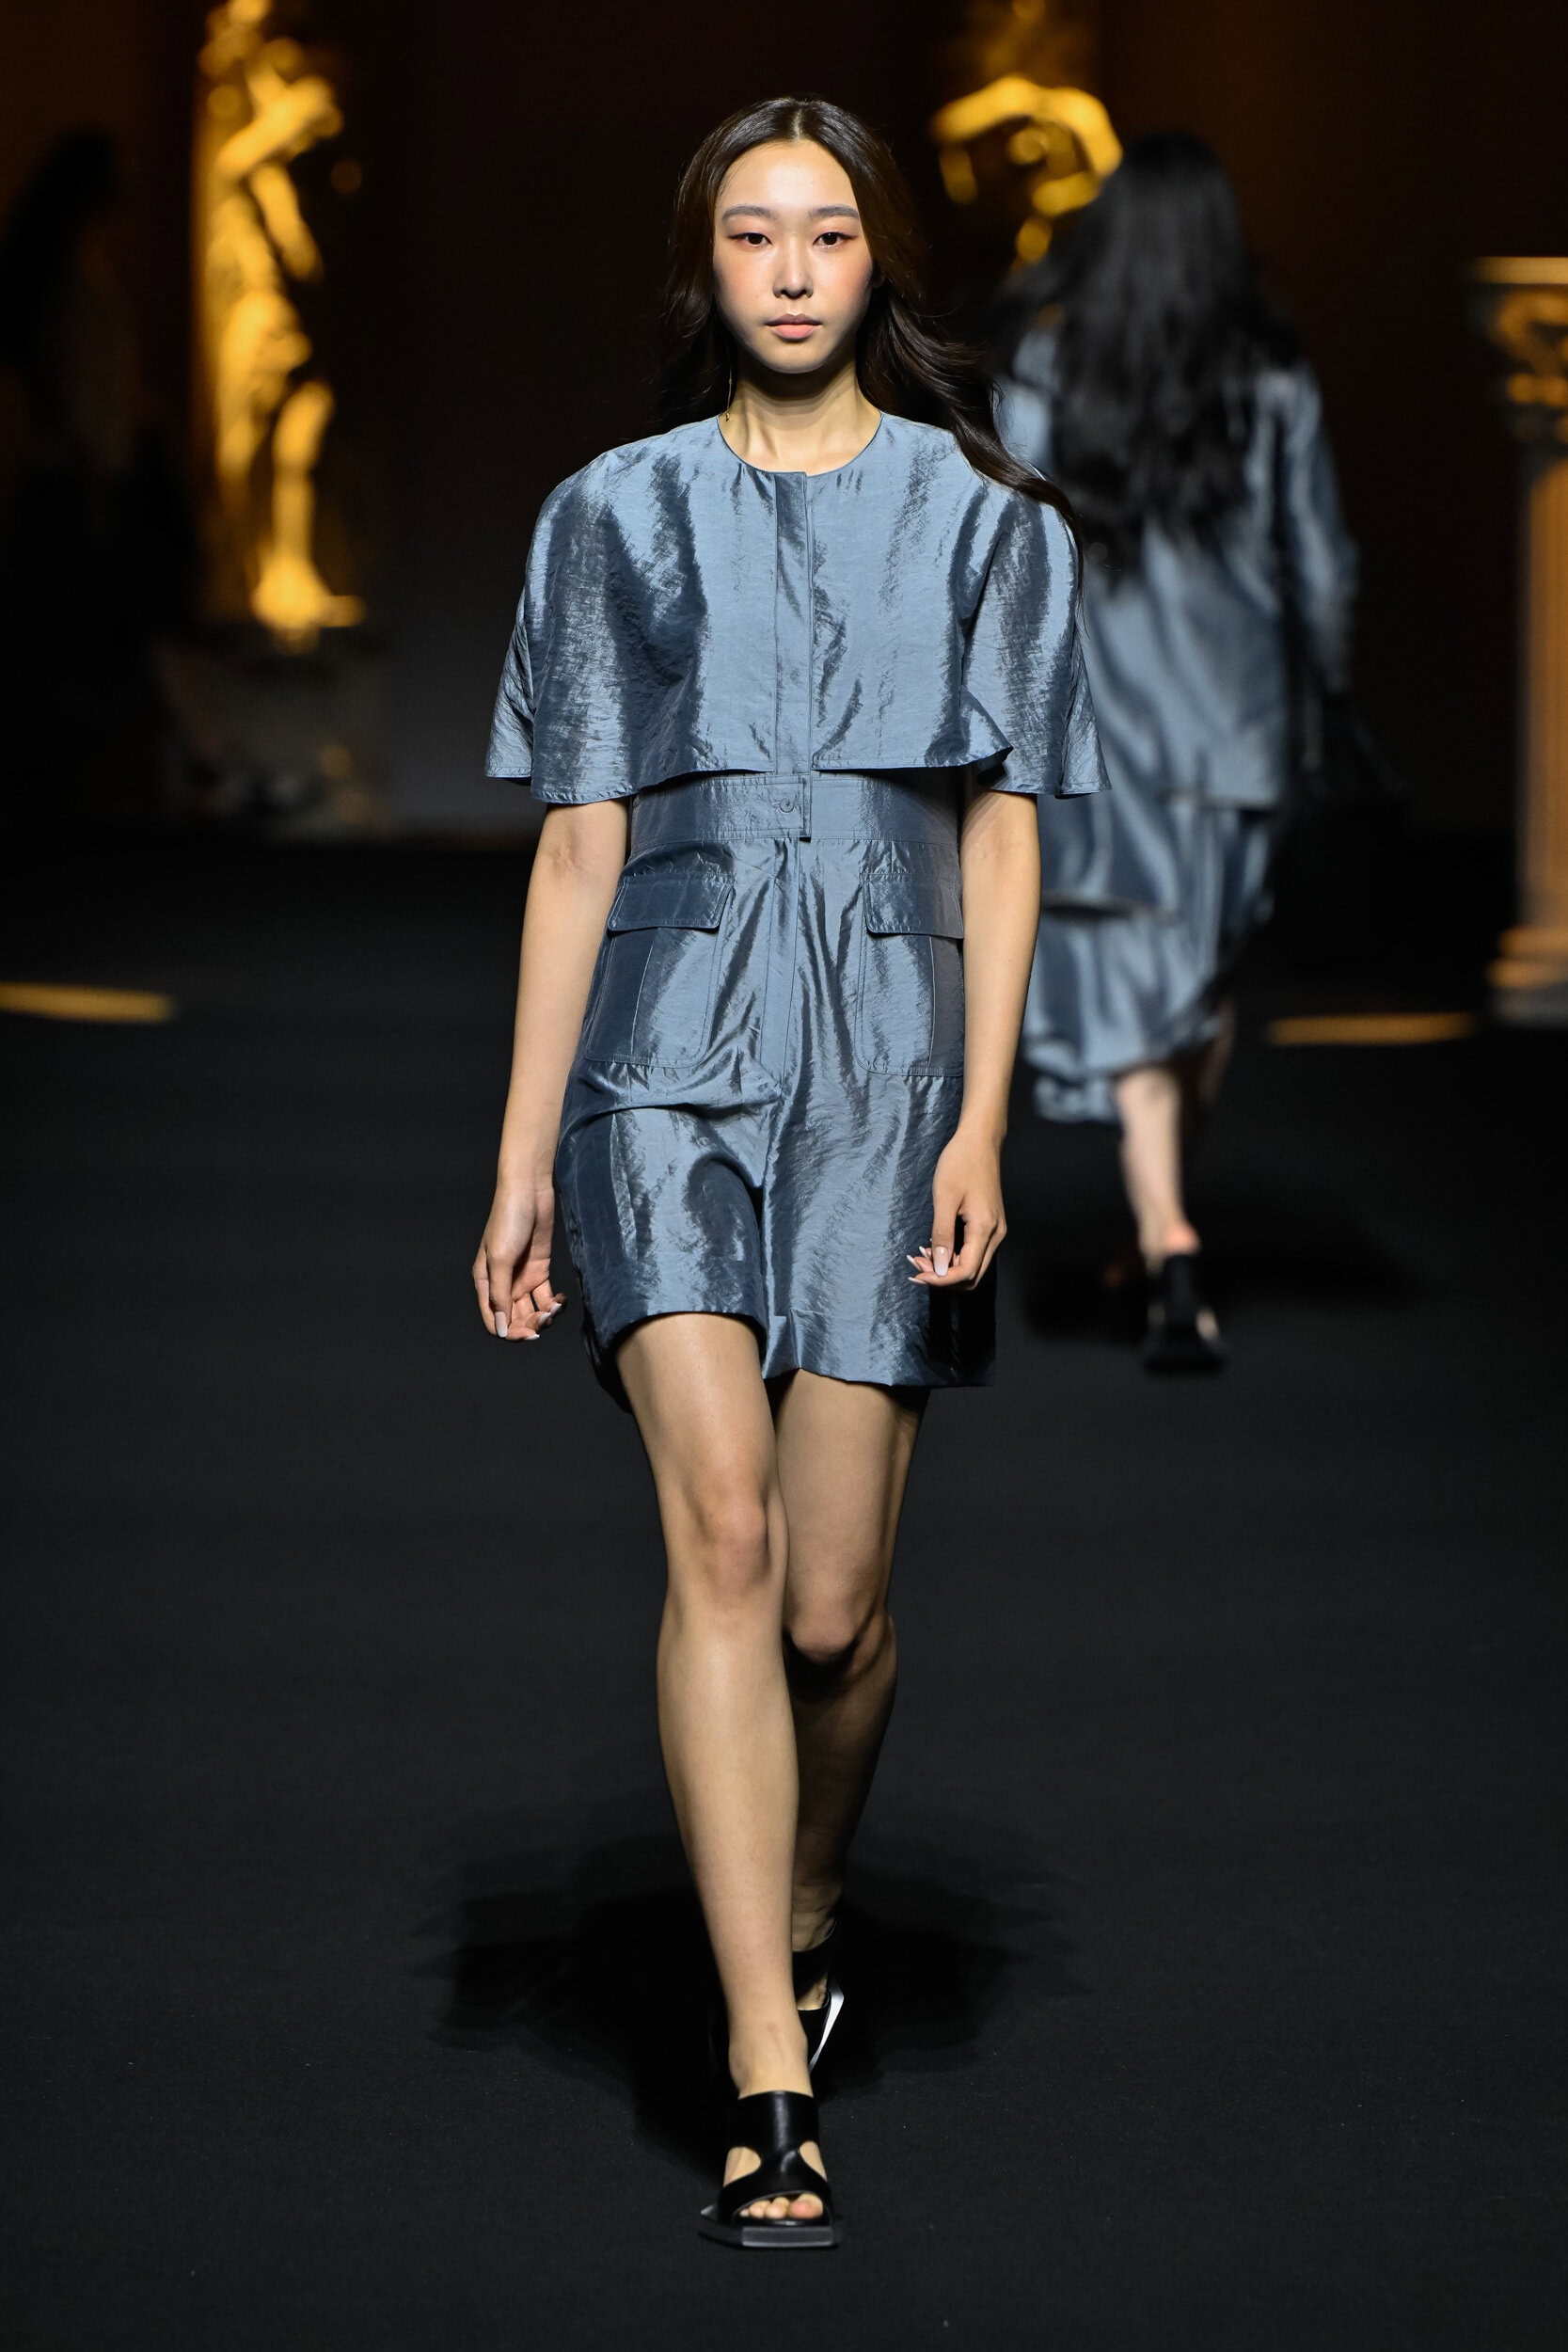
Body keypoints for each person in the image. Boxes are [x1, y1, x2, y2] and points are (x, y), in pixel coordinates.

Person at [474, 95, 1101, 2246]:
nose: (795, 271)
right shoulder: (611, 515)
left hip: (892, 1062)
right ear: (706, 267)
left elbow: (1007, 831)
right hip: (663, 1046)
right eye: (753, 235)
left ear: (877, 260)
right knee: (723, 1532)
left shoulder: (991, 521)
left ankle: (809, 1894)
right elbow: (575, 844)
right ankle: (765, 2060)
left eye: (828, 234)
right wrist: (521, 1158)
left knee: (833, 1609)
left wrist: (983, 1116)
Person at [998, 130, 1358, 1370]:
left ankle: (1163, 1234)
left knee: (1151, 982)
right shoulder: (1271, 382)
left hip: (1101, 727)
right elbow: (1320, 566)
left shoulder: (1044, 370)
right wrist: (1329, 693)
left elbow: (1010, 558)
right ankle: (1164, 1232)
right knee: (1196, 988)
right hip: (1239, 729)